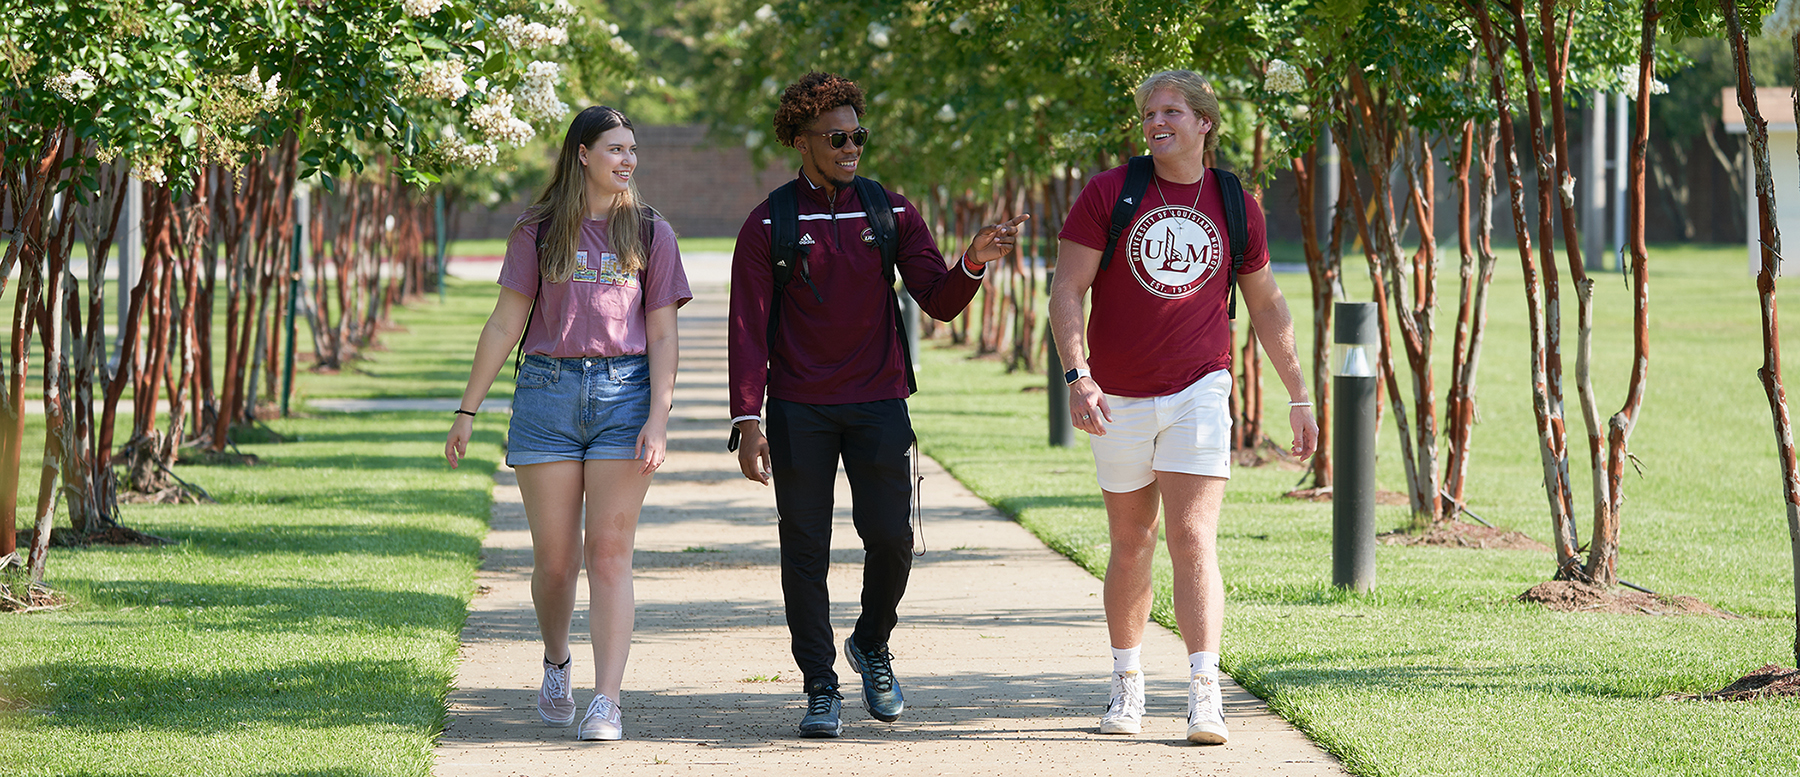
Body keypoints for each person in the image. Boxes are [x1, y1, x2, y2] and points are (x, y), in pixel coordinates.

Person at [728, 71, 1028, 739]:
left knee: (892, 536)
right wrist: (748, 418)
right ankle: (819, 684)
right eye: (837, 136)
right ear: (802, 141)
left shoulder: (889, 211)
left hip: (880, 401)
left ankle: (871, 641)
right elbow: (747, 327)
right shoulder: (770, 221)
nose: (851, 145)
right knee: (805, 547)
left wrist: (972, 262)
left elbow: (941, 300)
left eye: (858, 134)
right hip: (800, 408)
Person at [1048, 70, 1318, 745]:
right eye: (1147, 112)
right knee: (1131, 541)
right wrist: (1077, 376)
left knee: (1193, 536)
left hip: (1201, 385)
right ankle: (1128, 680)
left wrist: (1299, 393)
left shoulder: (1235, 203)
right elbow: (1065, 290)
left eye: (1171, 111)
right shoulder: (1110, 192)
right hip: (1117, 396)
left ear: (1205, 123)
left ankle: (1204, 692)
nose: (1155, 121)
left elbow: (1266, 303)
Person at [445, 105, 691, 742]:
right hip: (547, 395)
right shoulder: (538, 229)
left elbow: (663, 334)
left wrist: (658, 419)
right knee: (555, 563)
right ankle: (557, 662)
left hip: (625, 395)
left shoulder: (652, 231)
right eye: (614, 149)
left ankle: (607, 700)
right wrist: (468, 409)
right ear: (582, 153)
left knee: (608, 555)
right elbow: (505, 322)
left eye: (632, 149)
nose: (627, 160)